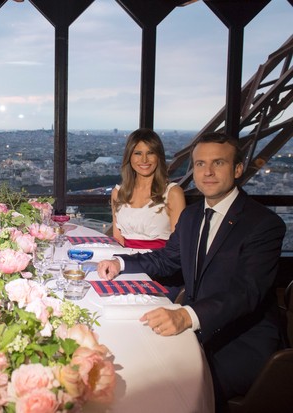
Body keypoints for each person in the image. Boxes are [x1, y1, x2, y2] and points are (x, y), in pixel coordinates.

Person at [97, 132, 286, 408]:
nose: (207, 172)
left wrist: (187, 316)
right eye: (199, 164)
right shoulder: (193, 215)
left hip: (240, 341)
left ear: (237, 169)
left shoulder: (263, 224)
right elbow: (167, 259)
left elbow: (246, 292)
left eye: (218, 163)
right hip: (197, 328)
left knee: (159, 388)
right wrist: (122, 263)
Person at [110, 128, 186, 301]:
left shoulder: (173, 193)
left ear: (158, 156)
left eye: (150, 153)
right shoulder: (118, 193)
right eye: (138, 153)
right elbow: (118, 239)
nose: (144, 160)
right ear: (129, 157)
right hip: (126, 268)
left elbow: (177, 248)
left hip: (161, 272)